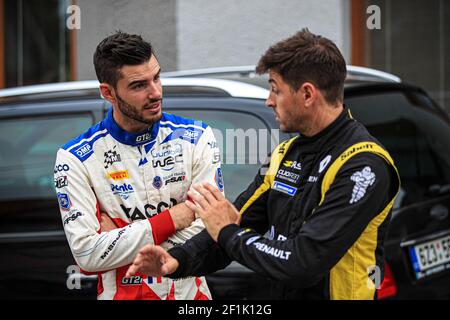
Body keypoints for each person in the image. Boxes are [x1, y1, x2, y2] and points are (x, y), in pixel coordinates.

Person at [125, 29, 401, 300]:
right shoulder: (285, 153)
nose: (269, 101)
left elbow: (302, 263)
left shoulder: (363, 165)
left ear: (307, 94)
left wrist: (228, 232)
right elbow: (239, 220)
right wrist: (177, 260)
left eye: (275, 90)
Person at [53, 31, 223, 300]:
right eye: (138, 85)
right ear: (108, 92)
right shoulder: (75, 158)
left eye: (156, 77)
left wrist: (120, 234)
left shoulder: (197, 137)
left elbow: (212, 231)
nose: (155, 92)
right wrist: (173, 218)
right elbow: (87, 254)